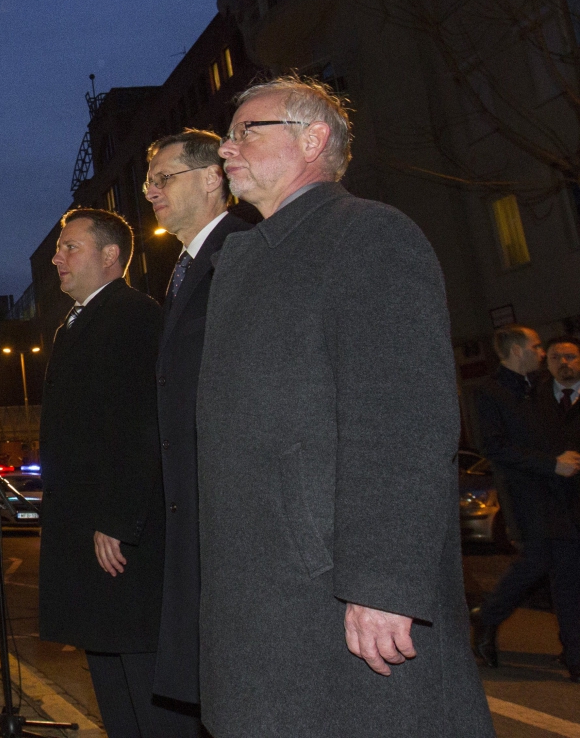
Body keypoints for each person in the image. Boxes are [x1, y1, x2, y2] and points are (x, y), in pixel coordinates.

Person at [197, 75, 490, 737]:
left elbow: (402, 420)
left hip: (331, 586)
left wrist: (383, 582)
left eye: (246, 131)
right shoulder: (255, 257)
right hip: (269, 593)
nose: (226, 148)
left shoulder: (367, 235)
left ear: (313, 139)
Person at [39, 208, 189, 737]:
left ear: (110, 256)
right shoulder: (78, 322)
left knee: (143, 674)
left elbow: (142, 422)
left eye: (70, 247)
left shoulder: (132, 316)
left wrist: (118, 519)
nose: (57, 258)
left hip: (122, 539)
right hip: (89, 530)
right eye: (58, 248)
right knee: (110, 675)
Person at [143, 129, 253, 718]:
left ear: (213, 178)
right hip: (196, 504)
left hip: (233, 506)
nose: (150, 191)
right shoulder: (184, 267)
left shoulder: (244, 251)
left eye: (164, 177)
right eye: (148, 181)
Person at [467, 327, 580, 676]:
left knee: (568, 573)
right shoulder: (488, 392)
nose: (542, 353)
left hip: (561, 496)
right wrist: (551, 464)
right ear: (517, 350)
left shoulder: (540, 389)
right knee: (535, 563)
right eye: (536, 347)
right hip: (526, 498)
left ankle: (575, 657)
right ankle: (486, 618)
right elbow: (494, 447)